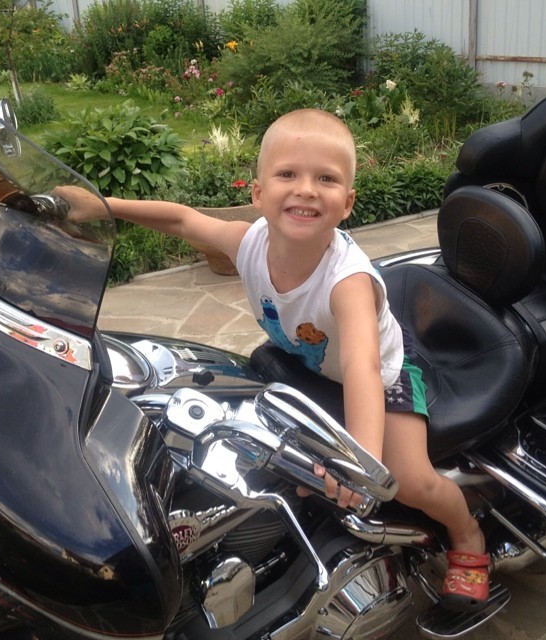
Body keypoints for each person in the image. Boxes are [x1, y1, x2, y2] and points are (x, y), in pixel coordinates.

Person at [58, 108, 489, 611]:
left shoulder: (347, 281)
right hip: (306, 362)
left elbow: (362, 369)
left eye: (326, 179)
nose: (306, 190)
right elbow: (182, 218)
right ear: (258, 194)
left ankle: (468, 534)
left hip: (384, 372)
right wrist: (100, 205)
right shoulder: (248, 243)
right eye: (288, 174)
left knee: (411, 481)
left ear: (347, 203)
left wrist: (360, 465)